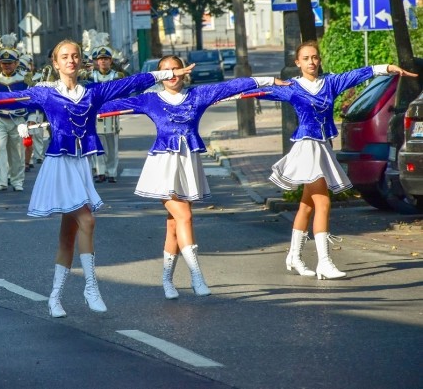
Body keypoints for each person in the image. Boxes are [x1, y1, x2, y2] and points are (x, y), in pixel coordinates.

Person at [0, 40, 193, 318]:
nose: (71, 60)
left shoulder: (93, 91)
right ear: (55, 63)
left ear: (81, 61)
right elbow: (9, 97)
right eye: (64, 56)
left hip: (81, 164)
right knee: (87, 220)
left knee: (67, 237)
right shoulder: (46, 93)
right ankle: (91, 286)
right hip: (59, 165)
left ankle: (54, 298)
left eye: (75, 55)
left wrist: (166, 74)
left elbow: (133, 82)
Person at [101, 56, 284, 299]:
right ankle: (197, 275)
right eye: (164, 71)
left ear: (185, 71)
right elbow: (106, 105)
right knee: (184, 216)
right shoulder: (150, 99)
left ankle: (167, 280)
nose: (171, 74)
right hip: (162, 167)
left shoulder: (198, 95)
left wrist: (268, 79)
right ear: (158, 75)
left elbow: (232, 86)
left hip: (187, 165)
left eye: (175, 69)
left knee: (174, 225)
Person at [254, 41, 416, 280]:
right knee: (323, 202)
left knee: (307, 204)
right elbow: (256, 91)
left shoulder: (330, 83)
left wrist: (388, 67)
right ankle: (324, 262)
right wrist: (222, 95)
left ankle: (294, 256)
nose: (311, 62)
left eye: (315, 57)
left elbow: (358, 75)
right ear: (297, 63)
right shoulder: (292, 87)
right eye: (306, 58)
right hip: (306, 147)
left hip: (322, 147)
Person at [0, 47, 31, 192]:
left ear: (16, 63)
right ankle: (2, 181)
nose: (7, 66)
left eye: (10, 63)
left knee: (17, 151)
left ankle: (17, 181)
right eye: (4, 63)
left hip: (18, 119)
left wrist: (29, 119)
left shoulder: (24, 79)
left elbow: (32, 100)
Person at [88, 45, 125, 183]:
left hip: (112, 114)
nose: (103, 62)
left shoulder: (117, 76)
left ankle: (112, 172)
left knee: (112, 146)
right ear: (97, 62)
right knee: (98, 145)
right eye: (100, 59)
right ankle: (100, 172)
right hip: (96, 114)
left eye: (106, 59)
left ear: (110, 61)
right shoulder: (91, 76)